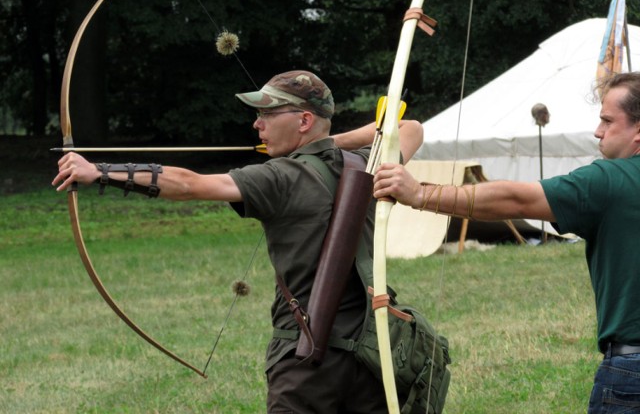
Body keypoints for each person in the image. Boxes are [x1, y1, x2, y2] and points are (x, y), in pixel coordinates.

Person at [53, 70, 424, 413]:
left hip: (305, 360)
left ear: (304, 120)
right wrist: (323, 144)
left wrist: (96, 172)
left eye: (267, 114)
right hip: (374, 357)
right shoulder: (367, 165)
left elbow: (188, 185)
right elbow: (410, 128)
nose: (256, 124)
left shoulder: (279, 177)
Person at [372, 71, 640, 414]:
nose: (597, 131)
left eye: (607, 120)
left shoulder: (609, 180)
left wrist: (419, 193)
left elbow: (517, 200)